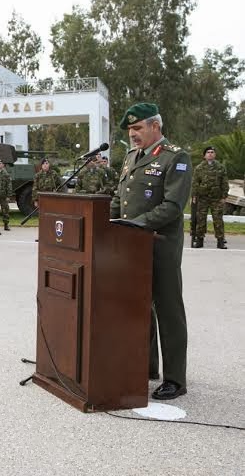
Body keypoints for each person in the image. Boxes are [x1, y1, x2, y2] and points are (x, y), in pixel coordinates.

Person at [112, 102, 192, 400]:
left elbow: (173, 206)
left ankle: (176, 379)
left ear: (155, 126)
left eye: (137, 128)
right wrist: (108, 223)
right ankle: (146, 366)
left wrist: (135, 225)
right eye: (131, 130)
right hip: (133, 244)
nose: (132, 135)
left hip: (160, 245)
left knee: (168, 310)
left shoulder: (176, 157)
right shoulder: (132, 156)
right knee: (139, 306)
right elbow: (120, 198)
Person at [191, 146, 229, 249]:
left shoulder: (220, 167)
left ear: (215, 155)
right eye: (208, 152)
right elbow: (195, 183)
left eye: (212, 152)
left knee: (218, 220)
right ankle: (199, 240)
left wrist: (224, 196)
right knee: (200, 219)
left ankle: (220, 241)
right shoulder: (199, 168)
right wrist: (194, 196)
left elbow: (224, 182)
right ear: (204, 155)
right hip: (202, 198)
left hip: (216, 198)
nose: (210, 154)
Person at [0, 159, 13, 231]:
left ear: (3, 165)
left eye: (1, 163)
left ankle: (6, 225)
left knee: (5, 210)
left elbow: (9, 185)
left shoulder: (6, 174)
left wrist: (8, 195)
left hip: (4, 196)